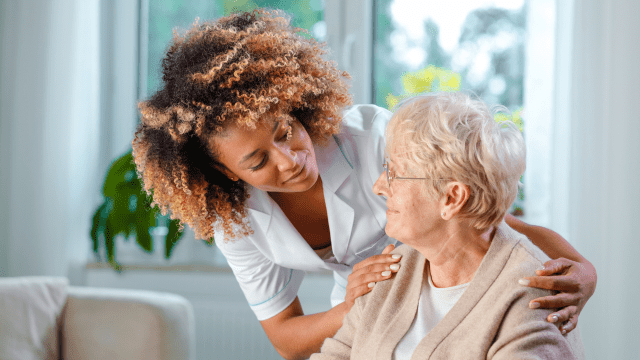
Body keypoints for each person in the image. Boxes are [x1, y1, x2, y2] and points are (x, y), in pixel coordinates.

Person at [132, 10, 595, 360]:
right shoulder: (236, 218)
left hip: (446, 279)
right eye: (258, 161)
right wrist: (354, 303)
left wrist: (582, 269)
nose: (291, 160)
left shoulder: (373, 139)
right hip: (373, 302)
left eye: (285, 130)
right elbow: (287, 337)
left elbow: (482, 212)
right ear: (229, 174)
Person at [311, 92, 585, 360]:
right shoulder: (392, 268)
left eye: (394, 172)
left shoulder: (531, 301)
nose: (379, 186)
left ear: (452, 198)